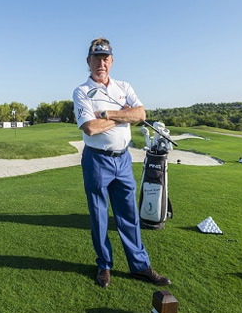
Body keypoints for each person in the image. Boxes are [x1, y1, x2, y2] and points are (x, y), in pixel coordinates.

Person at [72, 38, 171, 288]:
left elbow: (140, 114)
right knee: (99, 216)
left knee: (129, 216)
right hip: (96, 160)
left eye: (105, 58)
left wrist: (107, 114)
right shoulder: (81, 91)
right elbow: (91, 128)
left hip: (123, 160)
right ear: (88, 61)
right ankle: (104, 265)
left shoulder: (124, 86)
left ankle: (139, 266)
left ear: (112, 61)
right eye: (96, 58)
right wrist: (123, 116)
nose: (101, 63)